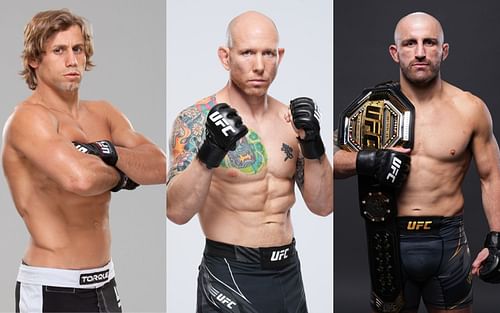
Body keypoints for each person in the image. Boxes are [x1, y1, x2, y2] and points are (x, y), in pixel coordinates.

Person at [167, 10, 333, 312]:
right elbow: (176, 212)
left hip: (287, 273)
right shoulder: (195, 119)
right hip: (229, 273)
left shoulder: (291, 122)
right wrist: (210, 151)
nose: (259, 65)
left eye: (268, 53)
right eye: (246, 53)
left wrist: (313, 144)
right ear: (225, 56)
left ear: (279, 55)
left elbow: (323, 206)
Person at [334, 12, 500, 313]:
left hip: (448, 243)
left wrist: (497, 238)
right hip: (388, 240)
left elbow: (492, 177)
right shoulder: (372, 109)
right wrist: (366, 159)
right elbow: (329, 163)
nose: (421, 52)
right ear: (395, 53)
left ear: (444, 50)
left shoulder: (470, 109)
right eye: (410, 43)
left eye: (430, 43)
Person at [2, 9, 166, 312]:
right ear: (34, 59)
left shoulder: (103, 113)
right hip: (52, 287)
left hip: (105, 283)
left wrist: (110, 153)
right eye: (59, 50)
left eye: (77, 49)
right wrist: (125, 174)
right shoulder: (28, 119)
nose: (72, 60)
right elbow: (80, 179)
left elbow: (161, 166)